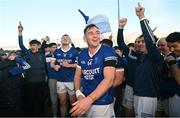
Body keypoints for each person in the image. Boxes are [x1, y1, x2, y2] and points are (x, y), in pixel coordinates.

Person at [70, 24, 117, 117]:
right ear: (84, 38)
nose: (95, 35)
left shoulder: (108, 51)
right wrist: (79, 94)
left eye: (97, 33)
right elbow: (77, 76)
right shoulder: (82, 54)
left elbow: (109, 80)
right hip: (84, 99)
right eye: (91, 33)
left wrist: (89, 100)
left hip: (102, 102)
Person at [18, 21, 48, 116]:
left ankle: (41, 115)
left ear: (38, 46)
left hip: (41, 82)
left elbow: (46, 67)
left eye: (34, 45)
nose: (32, 46)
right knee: (30, 102)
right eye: (31, 45)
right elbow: (21, 45)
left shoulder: (42, 54)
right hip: (30, 82)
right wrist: (20, 33)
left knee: (41, 101)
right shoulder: (28, 53)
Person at [51, 34, 78, 117]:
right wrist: (54, 66)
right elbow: (52, 64)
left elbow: (79, 65)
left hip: (71, 81)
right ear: (60, 40)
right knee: (62, 103)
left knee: (73, 103)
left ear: (70, 41)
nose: (65, 39)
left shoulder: (74, 51)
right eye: (63, 38)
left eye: (67, 38)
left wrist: (69, 65)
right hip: (60, 81)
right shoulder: (56, 52)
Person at [0, 51, 30, 116]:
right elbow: (28, 66)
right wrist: (18, 59)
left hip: (3, 91)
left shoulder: (2, 64)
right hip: (13, 92)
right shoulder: (14, 68)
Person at [165, 32, 180, 116]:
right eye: (170, 47)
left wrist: (172, 63)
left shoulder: (174, 60)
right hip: (174, 96)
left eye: (174, 46)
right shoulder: (177, 58)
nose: (171, 50)